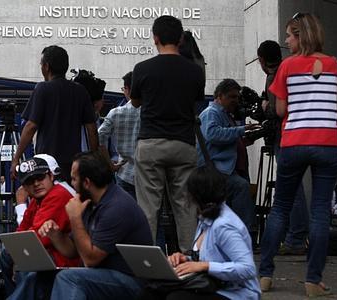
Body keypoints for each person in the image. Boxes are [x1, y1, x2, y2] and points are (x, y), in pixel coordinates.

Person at [258, 13, 337, 297]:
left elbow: (281, 111)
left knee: (281, 207)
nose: (285, 40)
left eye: (289, 35)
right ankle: (312, 280)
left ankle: (265, 275)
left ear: (300, 35)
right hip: (327, 144)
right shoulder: (336, 65)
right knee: (321, 211)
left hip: (294, 142)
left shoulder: (287, 66)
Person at [132, 15, 204, 252]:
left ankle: (146, 261)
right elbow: (196, 101)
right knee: (185, 205)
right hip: (183, 144)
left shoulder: (142, 69)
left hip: (151, 144)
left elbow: (135, 102)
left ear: (155, 38)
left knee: (148, 207)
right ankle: (188, 258)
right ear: (181, 39)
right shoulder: (194, 71)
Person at [40, 151, 153, 299]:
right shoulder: (89, 201)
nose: (72, 184)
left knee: (69, 278)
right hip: (102, 274)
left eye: (74, 179)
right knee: (38, 278)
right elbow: (73, 250)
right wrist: (55, 235)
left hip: (130, 280)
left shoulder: (117, 207)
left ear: (86, 183)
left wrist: (75, 218)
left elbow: (90, 260)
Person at [143, 166, 260, 300]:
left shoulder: (224, 225)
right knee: (151, 291)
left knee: (176, 298)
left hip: (236, 293)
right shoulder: (206, 217)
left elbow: (247, 268)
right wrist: (186, 260)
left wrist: (204, 266)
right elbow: (210, 257)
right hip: (212, 284)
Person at [10, 45, 99, 182]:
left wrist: (16, 158)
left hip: (46, 163)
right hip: (72, 164)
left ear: (46, 66)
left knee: (50, 200)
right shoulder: (80, 91)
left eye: (41, 64)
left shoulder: (42, 89)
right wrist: (94, 160)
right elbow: (92, 129)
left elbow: (31, 126)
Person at [257, 40, 309, 255]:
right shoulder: (292, 70)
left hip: (285, 136)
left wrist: (264, 107)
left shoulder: (274, 75)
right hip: (302, 134)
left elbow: (277, 112)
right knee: (297, 188)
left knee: (291, 189)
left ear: (261, 60)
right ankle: (298, 236)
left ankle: (295, 238)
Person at [5, 156, 80, 299]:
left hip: (65, 258)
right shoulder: (37, 199)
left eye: (40, 178)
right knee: (9, 253)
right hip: (50, 253)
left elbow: (37, 239)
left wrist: (20, 204)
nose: (36, 184)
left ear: (51, 176)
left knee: (26, 264)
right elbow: (22, 233)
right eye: (30, 181)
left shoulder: (57, 194)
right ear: (25, 188)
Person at [197, 79, 259, 230]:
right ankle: (245, 232)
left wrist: (251, 135)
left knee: (238, 190)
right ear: (219, 96)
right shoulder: (211, 113)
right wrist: (241, 130)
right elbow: (213, 135)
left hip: (226, 169)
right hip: (215, 170)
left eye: (237, 97)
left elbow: (228, 139)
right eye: (232, 97)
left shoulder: (225, 115)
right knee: (241, 187)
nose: (235, 101)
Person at [98, 71, 140, 199]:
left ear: (127, 89)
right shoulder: (152, 112)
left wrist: (109, 164)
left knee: (126, 213)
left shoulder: (116, 113)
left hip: (125, 172)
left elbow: (100, 136)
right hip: (149, 174)